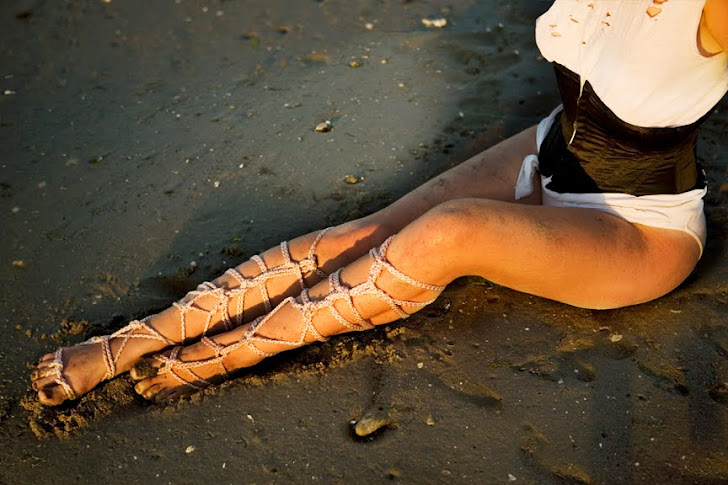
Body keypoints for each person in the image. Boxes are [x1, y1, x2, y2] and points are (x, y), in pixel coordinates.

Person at [31, 0, 727, 405]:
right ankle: (137, 338)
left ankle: (222, 353)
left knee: (445, 234)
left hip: (636, 228)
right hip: (550, 147)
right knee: (361, 236)